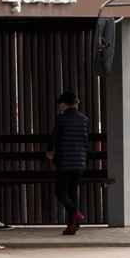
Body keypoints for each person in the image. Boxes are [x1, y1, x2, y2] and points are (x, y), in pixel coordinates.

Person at [47, 90, 89, 235]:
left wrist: (49, 150)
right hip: (79, 162)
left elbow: (53, 138)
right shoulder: (84, 119)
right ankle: (72, 226)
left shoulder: (61, 119)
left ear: (64, 104)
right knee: (73, 192)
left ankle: (75, 213)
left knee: (59, 191)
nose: (60, 107)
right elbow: (85, 140)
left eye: (60, 104)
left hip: (64, 162)